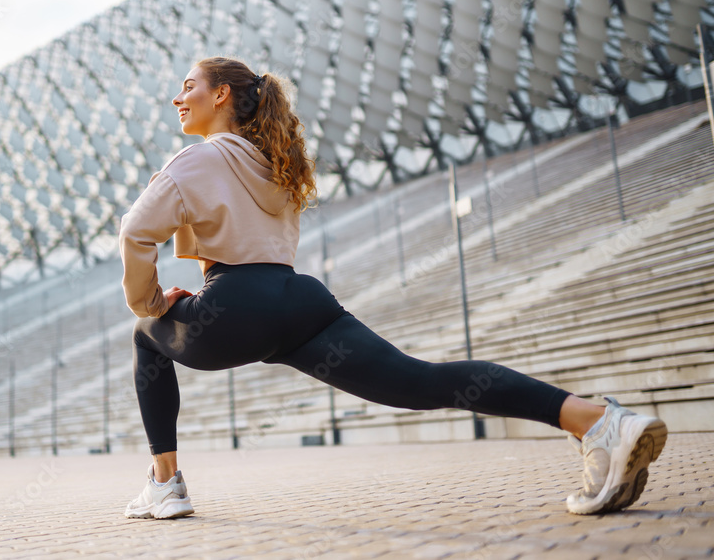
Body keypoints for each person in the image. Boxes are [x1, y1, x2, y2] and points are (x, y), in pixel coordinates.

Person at [117, 56, 667, 520]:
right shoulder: (273, 158)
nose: (177, 98)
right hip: (301, 301)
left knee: (146, 334)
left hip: (235, 305)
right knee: (420, 381)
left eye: (188, 87)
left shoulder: (197, 158)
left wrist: (152, 302)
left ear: (221, 94)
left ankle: (165, 483)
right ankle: (598, 422)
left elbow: (135, 231)